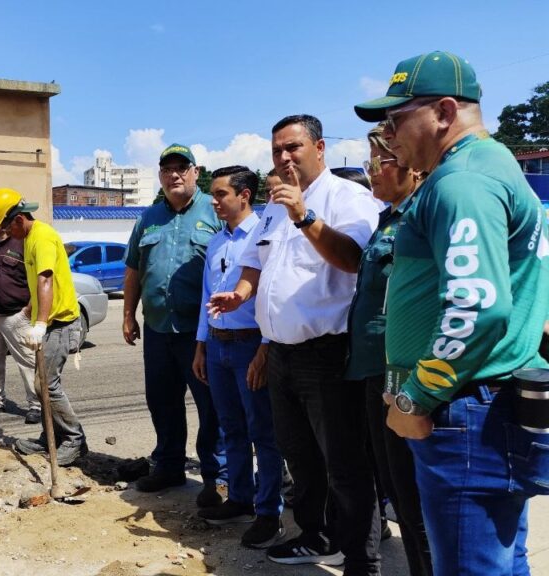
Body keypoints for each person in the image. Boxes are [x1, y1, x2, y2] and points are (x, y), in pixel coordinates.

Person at [355, 50, 549, 576]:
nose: (388, 136)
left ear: (444, 111)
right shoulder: (494, 165)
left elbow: (476, 305)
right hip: (486, 407)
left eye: (396, 119)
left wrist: (415, 398)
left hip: (464, 414)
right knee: (502, 562)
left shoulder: (461, 181)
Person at [209, 115, 381, 573]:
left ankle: (361, 560)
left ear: (319, 148)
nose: (284, 157)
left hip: (327, 355)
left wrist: (305, 216)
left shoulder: (347, 198)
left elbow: (354, 259)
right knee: (301, 460)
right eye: (276, 150)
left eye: (293, 147)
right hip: (282, 354)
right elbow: (255, 263)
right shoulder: (272, 207)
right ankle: (316, 536)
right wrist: (239, 294)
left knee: (344, 463)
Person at [342, 124, 432, 576]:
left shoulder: (422, 216)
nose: (373, 171)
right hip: (376, 372)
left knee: (416, 502)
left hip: (405, 374)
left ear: (413, 165)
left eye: (382, 160)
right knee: (397, 491)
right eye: (369, 162)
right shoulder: (388, 218)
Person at [122, 143, 225, 507]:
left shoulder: (215, 211)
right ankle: (168, 465)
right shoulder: (148, 217)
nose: (174, 175)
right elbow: (133, 268)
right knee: (162, 400)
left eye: (182, 167)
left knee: (211, 406)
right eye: (167, 169)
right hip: (158, 328)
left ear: (196, 172)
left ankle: (218, 477)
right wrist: (127, 314)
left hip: (201, 332)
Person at [192, 166, 284, 548]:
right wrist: (201, 344)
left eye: (220, 194)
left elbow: (272, 294)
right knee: (231, 427)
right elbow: (206, 295)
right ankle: (241, 498)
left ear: (244, 195)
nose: (213, 201)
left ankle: (269, 512)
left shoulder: (266, 235)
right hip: (218, 346)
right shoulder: (216, 242)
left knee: (263, 431)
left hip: (250, 345)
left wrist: (265, 347)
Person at [0, 187, 88, 465]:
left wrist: (40, 323)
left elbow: (45, 280)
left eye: (7, 228)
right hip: (47, 321)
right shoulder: (29, 238)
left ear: (18, 219)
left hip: (60, 323)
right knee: (41, 385)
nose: (7, 234)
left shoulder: (41, 237)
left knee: (46, 385)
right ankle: (50, 435)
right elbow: (35, 284)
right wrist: (29, 310)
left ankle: (74, 439)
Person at [0, 229, 40, 424]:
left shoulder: (22, 244)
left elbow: (39, 280)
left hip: (15, 315)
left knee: (28, 363)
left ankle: (36, 405)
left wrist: (27, 311)